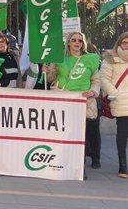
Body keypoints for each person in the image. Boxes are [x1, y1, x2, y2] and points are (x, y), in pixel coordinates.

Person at [45, 32, 101, 175]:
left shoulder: (91, 59)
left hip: (83, 101)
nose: (77, 43)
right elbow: (51, 78)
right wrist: (47, 71)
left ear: (83, 43)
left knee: (80, 135)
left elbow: (96, 80)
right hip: (63, 100)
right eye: (74, 40)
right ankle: (62, 163)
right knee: (64, 133)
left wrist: (93, 92)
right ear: (68, 42)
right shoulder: (59, 59)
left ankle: (80, 167)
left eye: (80, 41)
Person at [100, 32, 128, 178]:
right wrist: (114, 93)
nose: (127, 46)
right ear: (119, 43)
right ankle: (123, 165)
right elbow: (103, 79)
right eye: (125, 43)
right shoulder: (111, 59)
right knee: (122, 134)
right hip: (121, 101)